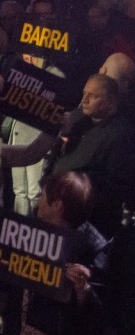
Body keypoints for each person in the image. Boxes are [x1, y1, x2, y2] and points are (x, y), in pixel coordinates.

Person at [0, 171, 107, 335]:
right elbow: (6, 283)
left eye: (42, 195)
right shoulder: (26, 232)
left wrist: (83, 290)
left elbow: (99, 316)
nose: (37, 200)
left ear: (57, 205)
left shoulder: (94, 250)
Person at [47, 73, 135, 238]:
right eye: (84, 93)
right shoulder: (77, 120)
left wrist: (75, 190)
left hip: (89, 221)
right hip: (56, 207)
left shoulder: (123, 135)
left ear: (110, 102)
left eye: (92, 96)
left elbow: (114, 184)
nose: (84, 100)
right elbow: (57, 155)